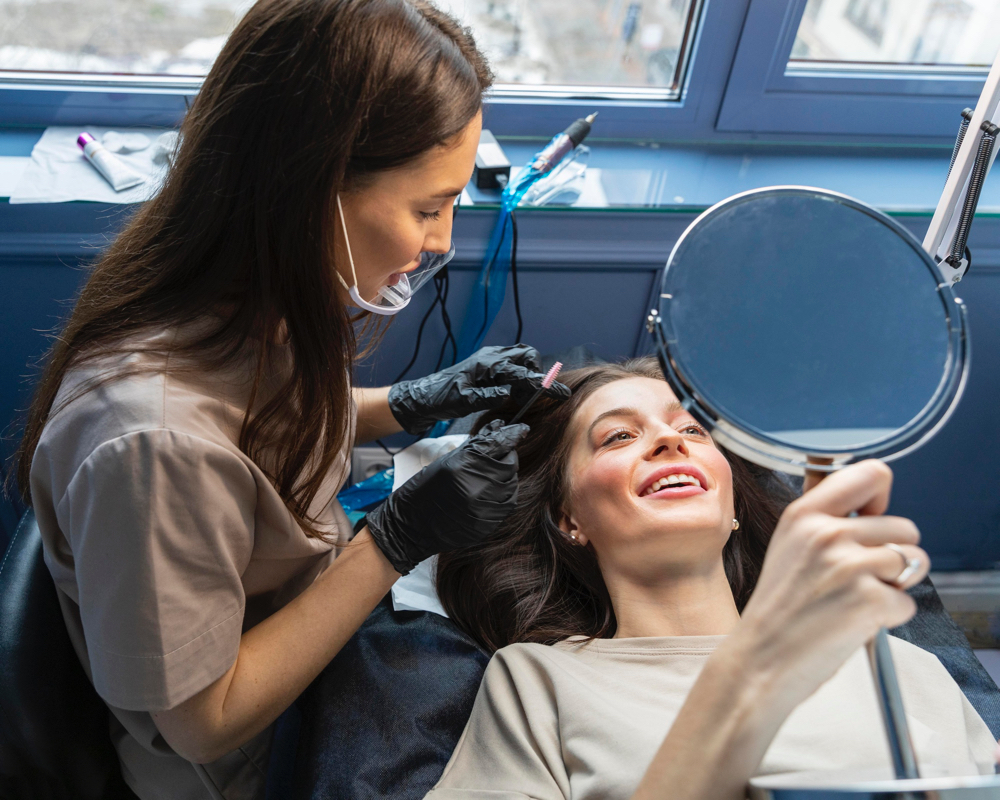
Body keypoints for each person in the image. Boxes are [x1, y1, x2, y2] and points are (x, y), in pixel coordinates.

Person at [15, 1, 566, 798]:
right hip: (243, 760)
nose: (442, 240)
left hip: (322, 656)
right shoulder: (150, 444)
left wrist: (408, 402)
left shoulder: (241, 299)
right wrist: (394, 541)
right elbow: (205, 718)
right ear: (313, 189)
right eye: (426, 208)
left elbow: (248, 432)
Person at [432, 358, 997, 800]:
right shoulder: (537, 680)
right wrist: (749, 668)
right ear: (570, 519)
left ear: (732, 505)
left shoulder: (902, 666)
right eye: (619, 437)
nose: (670, 440)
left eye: (694, 430)